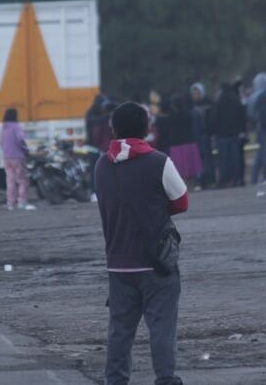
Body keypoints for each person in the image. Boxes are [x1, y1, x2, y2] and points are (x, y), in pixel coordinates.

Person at [94, 102, 188, 385]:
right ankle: (166, 379)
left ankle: (116, 380)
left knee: (120, 331)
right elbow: (182, 202)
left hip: (118, 264)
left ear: (114, 129)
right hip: (155, 263)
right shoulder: (159, 162)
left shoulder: (100, 165)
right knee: (161, 328)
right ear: (147, 129)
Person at [161, 94, 204, 190]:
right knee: (190, 166)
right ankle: (192, 185)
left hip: (176, 144)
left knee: (179, 168)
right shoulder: (189, 115)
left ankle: (182, 187)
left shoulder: (171, 117)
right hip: (189, 142)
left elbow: (167, 131)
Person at [208, 82, 247, 187]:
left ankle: (224, 180)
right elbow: (242, 117)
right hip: (234, 134)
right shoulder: (236, 101)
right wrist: (242, 130)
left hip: (221, 135)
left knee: (223, 159)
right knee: (235, 157)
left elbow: (213, 119)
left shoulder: (219, 102)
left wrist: (212, 131)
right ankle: (236, 178)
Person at [0, 108, 35, 211]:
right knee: (22, 180)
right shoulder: (16, 127)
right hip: (18, 157)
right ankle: (22, 202)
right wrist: (26, 150)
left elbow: (1, 142)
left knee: (10, 181)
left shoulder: (4, 127)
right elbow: (20, 139)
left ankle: (10, 204)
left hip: (7, 157)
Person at [189, 82, 215, 188]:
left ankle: (210, 180)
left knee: (207, 158)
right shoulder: (191, 105)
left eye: (197, 93)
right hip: (195, 137)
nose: (195, 96)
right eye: (193, 94)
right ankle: (201, 181)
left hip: (205, 135)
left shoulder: (208, 103)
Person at [247, 72, 266, 184]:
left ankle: (255, 177)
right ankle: (265, 176)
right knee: (265, 152)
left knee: (261, 151)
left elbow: (250, 114)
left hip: (259, 126)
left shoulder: (252, 97)